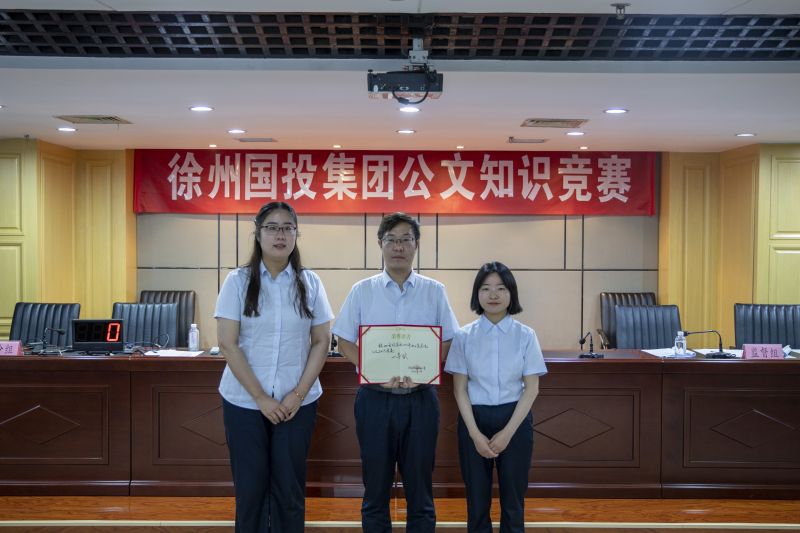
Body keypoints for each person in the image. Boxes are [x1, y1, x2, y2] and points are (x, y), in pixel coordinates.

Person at [333, 212, 459, 533]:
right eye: (391, 240)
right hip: (375, 399)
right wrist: (371, 369)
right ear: (380, 244)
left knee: (420, 490)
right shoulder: (362, 290)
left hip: (421, 399)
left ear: (416, 245)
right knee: (375, 488)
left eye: (406, 240)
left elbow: (448, 339)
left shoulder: (434, 291)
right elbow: (344, 340)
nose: (398, 247)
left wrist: (425, 369)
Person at [214, 201, 333, 533]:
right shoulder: (238, 281)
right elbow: (227, 343)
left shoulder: (310, 282)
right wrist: (261, 398)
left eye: (287, 228)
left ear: (296, 234)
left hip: (297, 404)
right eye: (272, 228)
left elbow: (321, 341)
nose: (280, 235)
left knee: (289, 490)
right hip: (244, 402)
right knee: (251, 491)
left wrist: (298, 394)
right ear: (258, 234)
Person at [444, 262, 547, 533]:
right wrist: (475, 435)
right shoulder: (463, 336)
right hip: (473, 419)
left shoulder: (526, 335)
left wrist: (507, 433)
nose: (493, 295)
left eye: (501, 288)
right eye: (485, 288)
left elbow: (532, 388)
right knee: (477, 500)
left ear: (511, 293)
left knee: (513, 499)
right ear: (476, 294)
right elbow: (459, 389)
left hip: (515, 419)